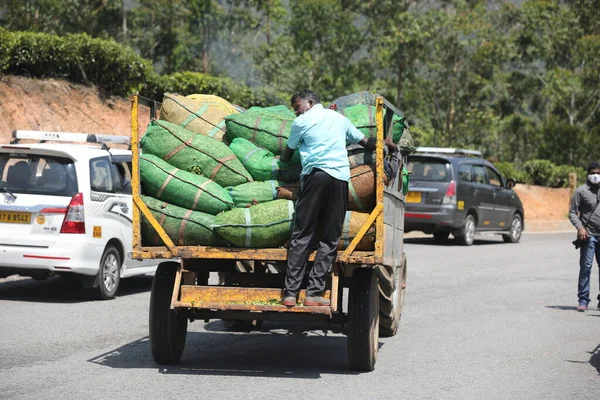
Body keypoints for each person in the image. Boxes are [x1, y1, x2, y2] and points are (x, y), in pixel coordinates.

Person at [280, 89, 380, 307]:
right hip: (339, 180)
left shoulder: (301, 122)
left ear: (309, 102)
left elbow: (287, 157)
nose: (296, 112)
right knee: (330, 237)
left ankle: (290, 294)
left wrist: (284, 156)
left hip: (315, 177)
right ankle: (313, 294)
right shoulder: (339, 119)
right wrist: (384, 143)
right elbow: (366, 143)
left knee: (302, 234)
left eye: (297, 107)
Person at [568, 161, 600, 312]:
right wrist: (580, 227)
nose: (596, 176)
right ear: (588, 174)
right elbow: (572, 213)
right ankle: (583, 299)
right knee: (586, 267)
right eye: (593, 173)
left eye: (598, 173)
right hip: (588, 235)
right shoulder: (581, 191)